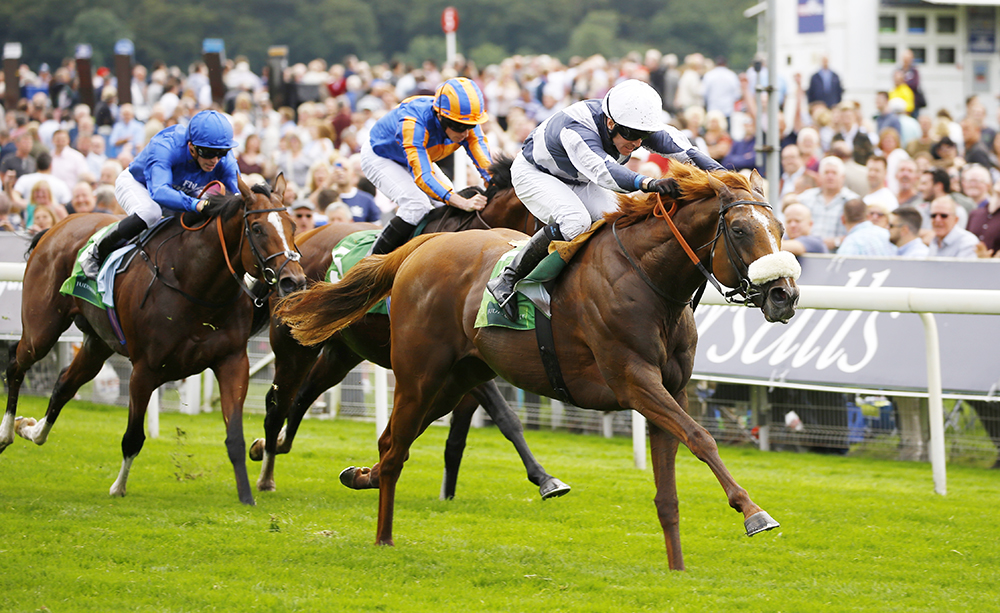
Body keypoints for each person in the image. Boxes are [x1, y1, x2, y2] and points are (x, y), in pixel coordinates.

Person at [488, 79, 723, 320]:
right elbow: (605, 172)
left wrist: (729, 178)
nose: (636, 143)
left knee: (617, 222)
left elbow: (689, 153)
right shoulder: (577, 129)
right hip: (535, 173)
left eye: (644, 136)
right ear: (610, 123)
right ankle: (509, 279)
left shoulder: (630, 123)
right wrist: (649, 183)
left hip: (577, 178)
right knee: (574, 221)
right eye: (631, 135)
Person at [81, 110, 240, 280]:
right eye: (208, 153)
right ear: (191, 147)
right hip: (139, 184)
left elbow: (237, 198)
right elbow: (159, 192)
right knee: (151, 213)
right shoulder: (166, 146)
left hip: (178, 191)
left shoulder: (225, 160)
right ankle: (95, 253)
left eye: (221, 152)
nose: (215, 160)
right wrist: (196, 204)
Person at [361, 77, 494, 255]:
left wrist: (497, 184)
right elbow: (423, 176)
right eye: (459, 126)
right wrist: (462, 201)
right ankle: (369, 265)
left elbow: (486, 166)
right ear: (440, 116)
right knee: (417, 205)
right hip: (380, 156)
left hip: (413, 157)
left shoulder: (466, 123)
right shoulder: (413, 122)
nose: (465, 133)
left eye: (470, 126)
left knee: (444, 207)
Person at [797, 156, 859, 250]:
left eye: (834, 173)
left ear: (842, 177)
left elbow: (858, 234)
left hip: (839, 257)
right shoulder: (805, 198)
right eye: (826, 173)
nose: (830, 176)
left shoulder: (853, 201)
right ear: (819, 176)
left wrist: (836, 242)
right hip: (807, 255)